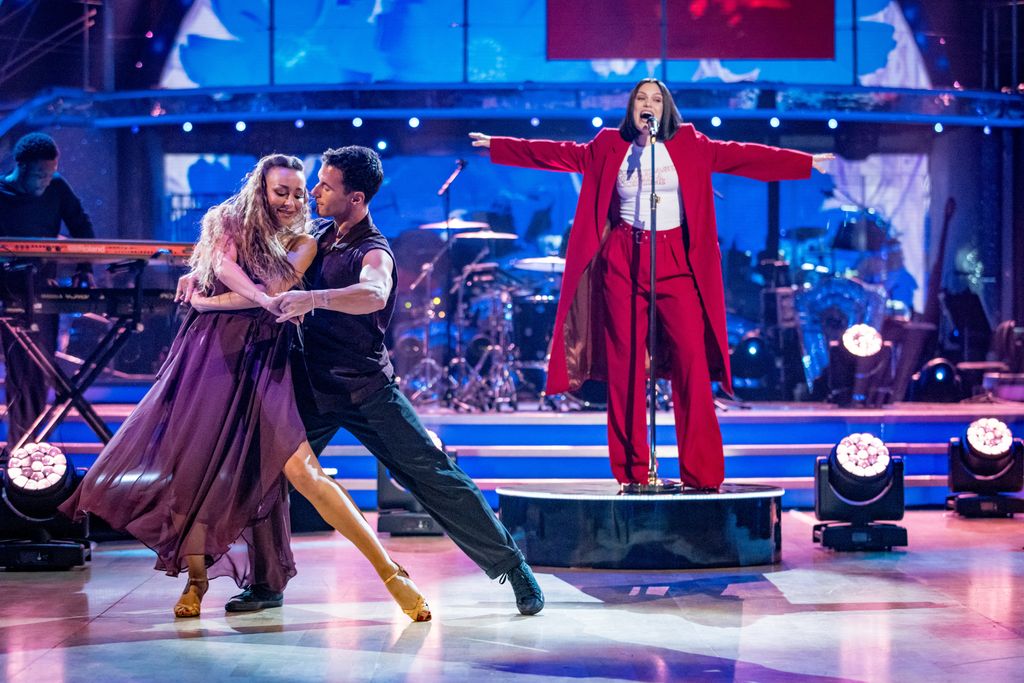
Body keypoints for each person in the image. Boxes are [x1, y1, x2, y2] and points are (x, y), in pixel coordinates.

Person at [62, 154, 431, 622]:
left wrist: (209, 300)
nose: (295, 200)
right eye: (284, 191)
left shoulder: (306, 240)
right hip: (209, 355)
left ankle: (390, 572)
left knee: (304, 473)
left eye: (301, 192)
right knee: (190, 468)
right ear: (261, 188)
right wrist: (210, 286)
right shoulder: (226, 220)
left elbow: (273, 289)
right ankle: (196, 581)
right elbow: (223, 265)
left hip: (265, 358)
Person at [179, 146, 545, 616]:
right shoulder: (315, 236)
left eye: (325, 186)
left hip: (368, 389)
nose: (314, 192)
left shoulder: (373, 248)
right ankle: (267, 585)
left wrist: (315, 298)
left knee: (434, 475)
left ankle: (512, 567)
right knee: (264, 478)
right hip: (310, 387)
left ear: (355, 197)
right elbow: (250, 267)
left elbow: (373, 294)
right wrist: (198, 274)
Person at [470, 78, 833, 490]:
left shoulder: (691, 143)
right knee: (625, 368)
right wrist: (499, 145)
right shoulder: (608, 146)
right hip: (623, 257)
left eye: (656, 99)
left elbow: (745, 157)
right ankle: (633, 473)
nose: (648, 105)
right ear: (631, 108)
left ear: (666, 108)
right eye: (641, 98)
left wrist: (804, 163)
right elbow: (556, 154)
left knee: (691, 363)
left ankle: (702, 474)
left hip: (676, 257)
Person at [1, 132, 95, 447]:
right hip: (7, 292)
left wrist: (84, 268)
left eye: (50, 173)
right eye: (39, 174)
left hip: (41, 290)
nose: (45, 181)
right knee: (20, 372)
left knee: (38, 373)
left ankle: (31, 448)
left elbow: (82, 228)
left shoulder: (58, 188)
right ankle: (19, 449)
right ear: (21, 166)